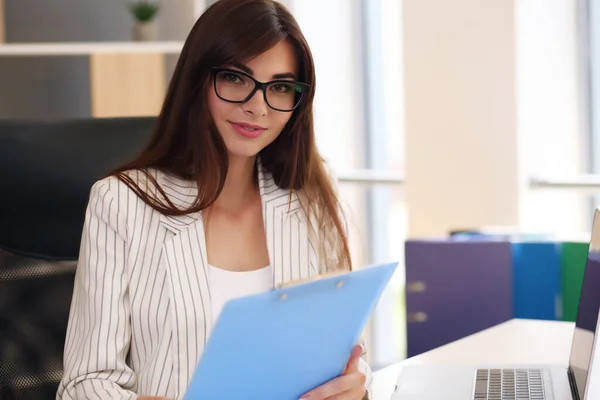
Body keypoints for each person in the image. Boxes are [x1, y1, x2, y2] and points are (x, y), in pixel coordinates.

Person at [57, 0, 372, 399]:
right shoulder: (121, 203)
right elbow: (85, 384)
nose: (256, 106)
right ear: (197, 80)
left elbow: (351, 358)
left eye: (279, 87)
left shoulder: (311, 197)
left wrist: (354, 387)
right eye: (237, 78)